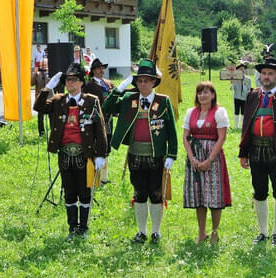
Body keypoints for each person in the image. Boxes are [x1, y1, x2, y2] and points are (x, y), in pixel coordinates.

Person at [103, 58, 178, 244]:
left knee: (156, 194)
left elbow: (171, 129)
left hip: (156, 156)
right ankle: (142, 231)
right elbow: (107, 108)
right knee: (139, 193)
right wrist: (118, 90)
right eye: (140, 81)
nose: (143, 84)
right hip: (135, 155)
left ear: (154, 82)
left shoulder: (163, 101)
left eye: (147, 80)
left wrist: (172, 154)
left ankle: (156, 231)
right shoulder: (129, 99)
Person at [33, 63, 107, 241]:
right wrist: (47, 89)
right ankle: (72, 227)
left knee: (85, 191)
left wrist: (101, 155)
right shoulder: (59, 100)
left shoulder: (91, 101)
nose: (70, 84)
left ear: (81, 83)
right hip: (65, 154)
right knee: (69, 191)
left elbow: (100, 128)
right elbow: (39, 107)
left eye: (74, 80)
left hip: (85, 153)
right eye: (68, 80)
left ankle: (84, 227)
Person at [183, 81, 231, 244]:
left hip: (213, 157)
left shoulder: (219, 112)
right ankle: (201, 232)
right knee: (199, 196)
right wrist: (192, 159)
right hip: (195, 157)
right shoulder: (191, 112)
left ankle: (215, 232)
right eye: (199, 92)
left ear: (213, 94)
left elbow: (222, 137)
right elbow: (185, 137)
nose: (202, 95)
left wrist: (209, 160)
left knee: (214, 195)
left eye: (206, 92)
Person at [239, 57, 276, 246]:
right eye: (264, 73)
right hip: (255, 150)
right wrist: (243, 152)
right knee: (259, 192)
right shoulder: (253, 95)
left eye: (270, 73)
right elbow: (246, 124)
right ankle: (263, 232)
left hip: (275, 150)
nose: (266, 77)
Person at [83, 58, 114, 184]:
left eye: (103, 68)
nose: (102, 70)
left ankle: (104, 178)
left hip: (109, 118)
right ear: (94, 70)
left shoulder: (108, 83)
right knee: (99, 144)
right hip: (97, 119)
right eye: (99, 68)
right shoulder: (89, 85)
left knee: (107, 144)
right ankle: (97, 177)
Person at [31, 57, 51, 136]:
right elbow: (31, 83)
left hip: (50, 98)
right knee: (40, 118)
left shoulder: (51, 73)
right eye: (42, 65)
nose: (44, 66)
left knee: (51, 117)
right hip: (40, 99)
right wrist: (34, 74)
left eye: (45, 65)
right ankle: (41, 133)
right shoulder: (37, 74)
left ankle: (53, 133)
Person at [230, 62, 251, 129]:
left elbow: (249, 89)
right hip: (237, 97)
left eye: (243, 69)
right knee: (236, 111)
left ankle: (242, 126)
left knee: (243, 112)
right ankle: (236, 126)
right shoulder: (235, 78)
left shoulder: (248, 79)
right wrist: (233, 82)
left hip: (245, 98)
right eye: (240, 69)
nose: (242, 70)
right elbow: (232, 88)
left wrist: (246, 90)